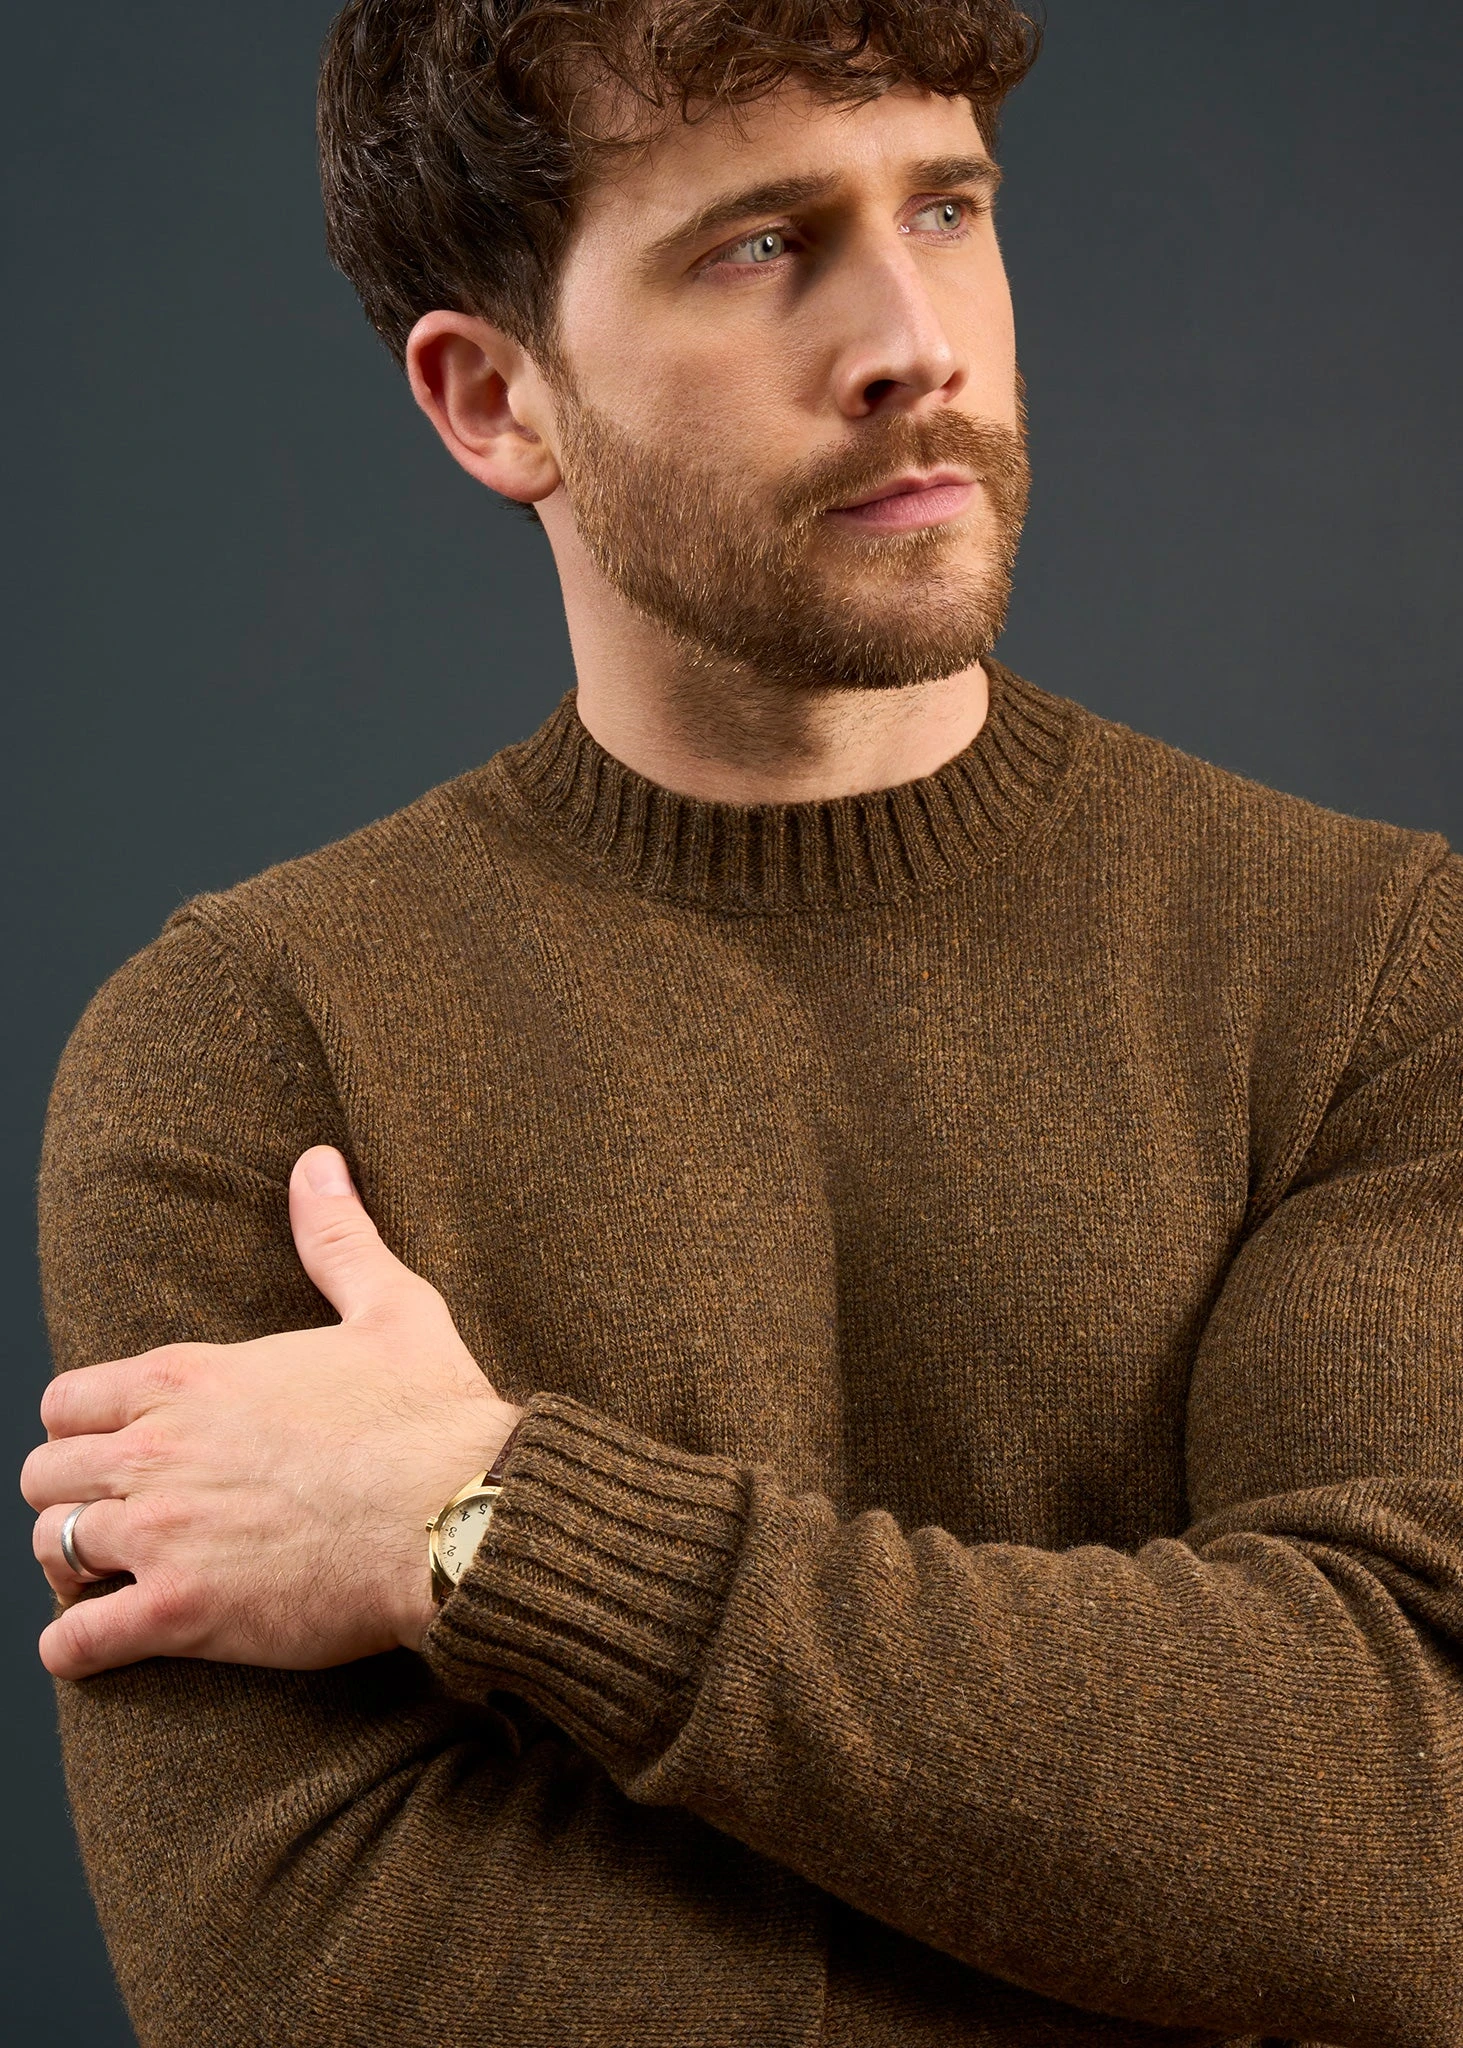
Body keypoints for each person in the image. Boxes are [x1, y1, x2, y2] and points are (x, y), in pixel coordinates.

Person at [21, 1, 1463, 2042]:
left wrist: (491, 1521)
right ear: (495, 398)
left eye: (944, 208)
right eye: (760, 245)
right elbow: (315, 1981)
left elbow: (1408, 1834)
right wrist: (1160, 1917)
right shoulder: (251, 1048)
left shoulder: (1377, 967)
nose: (912, 343)